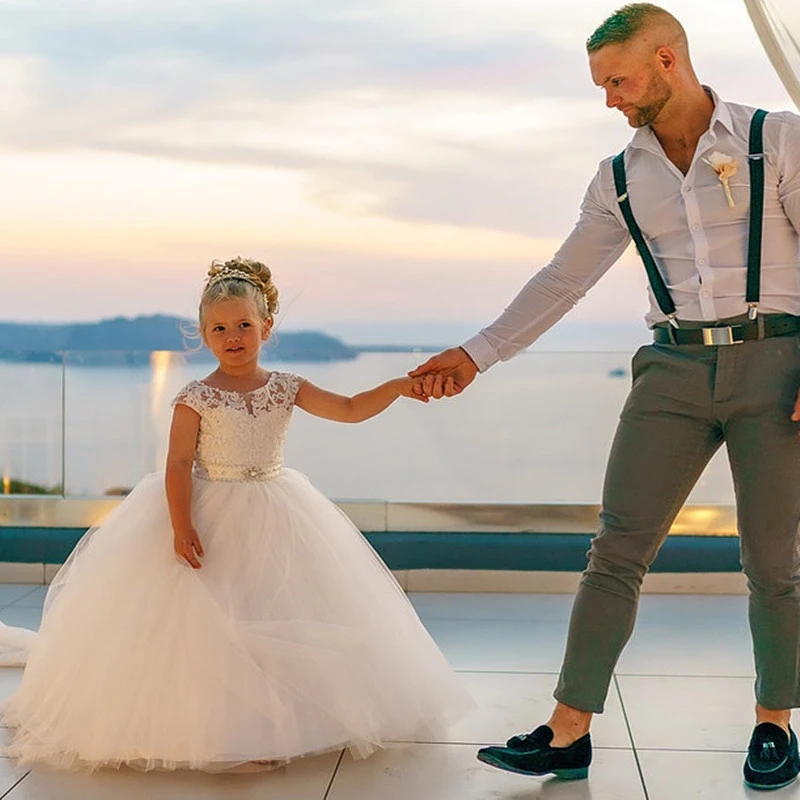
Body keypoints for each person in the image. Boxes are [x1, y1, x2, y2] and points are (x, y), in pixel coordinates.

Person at [410, 3, 800, 791]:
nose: (610, 100)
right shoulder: (619, 178)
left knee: (772, 560)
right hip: (673, 370)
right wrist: (476, 355)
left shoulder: (778, 137)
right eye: (601, 86)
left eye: (616, 80)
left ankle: (775, 724)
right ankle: (568, 729)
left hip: (778, 366)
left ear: (666, 59)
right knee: (616, 549)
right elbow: (563, 280)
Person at [0, 257, 471, 772]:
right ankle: (219, 735)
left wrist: (400, 386)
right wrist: (181, 525)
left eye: (244, 325)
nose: (233, 337)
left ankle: (272, 724)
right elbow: (178, 464)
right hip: (209, 510)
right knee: (210, 623)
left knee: (269, 614)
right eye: (220, 328)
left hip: (276, 507)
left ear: (266, 327)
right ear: (202, 335)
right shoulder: (195, 396)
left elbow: (350, 407)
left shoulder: (286, 386)